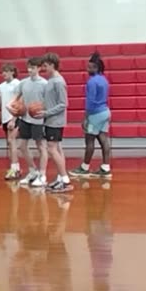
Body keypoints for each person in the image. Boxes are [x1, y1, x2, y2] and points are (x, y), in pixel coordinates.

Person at [72, 52, 113, 179]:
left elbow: (90, 102)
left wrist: (85, 118)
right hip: (105, 112)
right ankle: (106, 168)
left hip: (95, 114)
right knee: (103, 139)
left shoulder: (91, 82)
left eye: (90, 67)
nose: (87, 69)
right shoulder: (104, 80)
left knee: (89, 140)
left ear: (96, 67)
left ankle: (84, 167)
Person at [38, 52, 73, 192]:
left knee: (52, 149)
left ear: (52, 65)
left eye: (45, 66)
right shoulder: (51, 81)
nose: (43, 69)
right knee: (57, 148)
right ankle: (60, 178)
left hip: (55, 121)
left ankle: (65, 180)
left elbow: (63, 104)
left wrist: (47, 112)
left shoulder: (58, 82)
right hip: (50, 120)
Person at [16, 57, 49, 188]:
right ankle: (32, 171)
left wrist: (43, 111)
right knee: (22, 145)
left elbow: (49, 102)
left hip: (38, 119)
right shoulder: (23, 83)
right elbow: (17, 100)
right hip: (25, 118)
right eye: (29, 67)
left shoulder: (45, 84)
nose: (30, 70)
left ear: (39, 68)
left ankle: (42, 175)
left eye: (33, 67)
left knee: (41, 146)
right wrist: (13, 114)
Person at [0, 63, 22, 180]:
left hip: (14, 117)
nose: (4, 73)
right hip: (4, 117)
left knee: (12, 141)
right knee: (9, 143)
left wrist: (14, 119)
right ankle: (16, 167)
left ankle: (15, 169)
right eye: (3, 71)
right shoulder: (1, 86)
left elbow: (20, 103)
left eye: (6, 71)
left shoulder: (18, 84)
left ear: (12, 72)